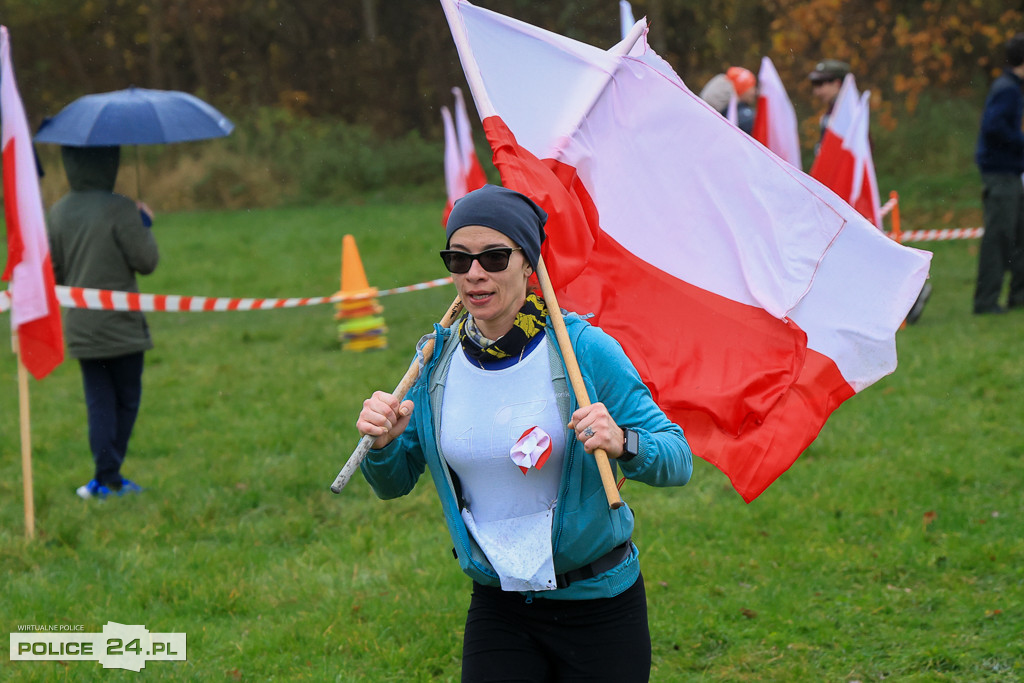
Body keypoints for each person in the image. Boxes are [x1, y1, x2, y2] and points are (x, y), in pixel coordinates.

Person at [356, 184, 692, 682]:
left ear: (527, 263)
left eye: (494, 256)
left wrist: (622, 441)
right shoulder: (434, 359)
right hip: (500, 606)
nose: (474, 273)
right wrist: (381, 446)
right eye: (458, 259)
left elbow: (677, 458)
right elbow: (393, 482)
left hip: (599, 605)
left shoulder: (583, 351)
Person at [46, 145, 160, 499]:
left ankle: (105, 478)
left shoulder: (57, 212)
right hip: (123, 327)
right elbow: (147, 261)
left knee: (99, 403)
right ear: (109, 161)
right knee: (126, 401)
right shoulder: (122, 207)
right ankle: (109, 477)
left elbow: (54, 273)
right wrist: (143, 223)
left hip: (81, 329)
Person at [973, 32, 1024, 315]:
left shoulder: (1011, 88)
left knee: (1018, 235)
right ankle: (986, 301)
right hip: (1000, 175)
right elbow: (993, 128)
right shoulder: (1007, 89)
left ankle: (1018, 294)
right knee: (999, 238)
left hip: (1010, 174)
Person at [808, 58, 850, 155]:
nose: (816, 92)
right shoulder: (833, 110)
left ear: (837, 83)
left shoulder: (851, 112)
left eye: (820, 84)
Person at [699, 66, 756, 134]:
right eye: (751, 87)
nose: (754, 91)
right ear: (742, 90)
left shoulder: (716, 116)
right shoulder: (748, 119)